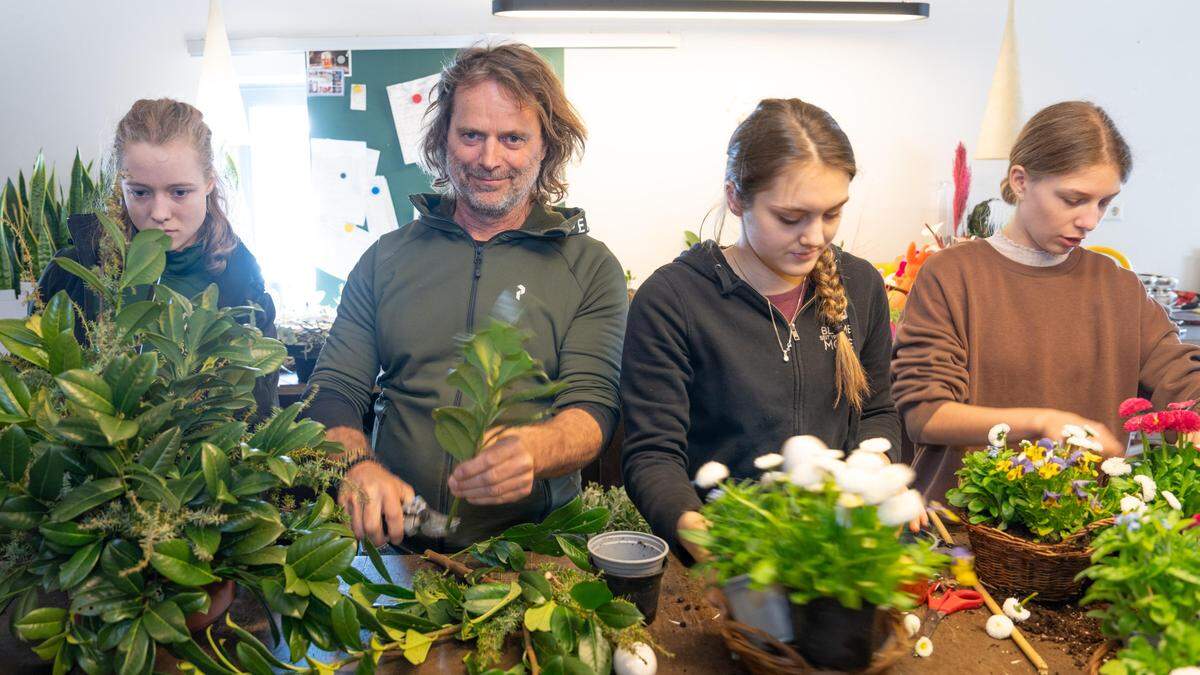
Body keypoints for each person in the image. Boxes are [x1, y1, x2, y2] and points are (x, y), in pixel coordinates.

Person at [304, 43, 626, 551]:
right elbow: (333, 392)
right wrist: (356, 466)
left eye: (513, 138)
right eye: (471, 135)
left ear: (547, 146)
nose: (489, 158)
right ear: (443, 138)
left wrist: (536, 449)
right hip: (398, 550)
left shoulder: (589, 267)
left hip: (534, 560)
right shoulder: (384, 260)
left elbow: (593, 408)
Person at [620, 99, 903, 563]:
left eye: (832, 213)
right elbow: (653, 455)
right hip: (722, 551)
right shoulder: (673, 300)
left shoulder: (862, 286)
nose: (814, 237)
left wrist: (876, 470)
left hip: (835, 549)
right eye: (791, 218)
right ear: (736, 197)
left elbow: (877, 412)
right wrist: (695, 529)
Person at [892, 101, 1200, 501]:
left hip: (1079, 532)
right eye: (1074, 199)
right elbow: (926, 415)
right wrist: (1040, 422)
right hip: (965, 532)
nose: (1090, 220)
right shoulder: (953, 275)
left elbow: (1180, 377)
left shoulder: (1118, 287)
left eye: (1104, 202)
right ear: (1020, 180)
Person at [37, 98, 278, 419]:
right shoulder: (72, 273)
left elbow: (256, 416)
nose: (159, 214)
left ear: (209, 183)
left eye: (179, 192)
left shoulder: (244, 283)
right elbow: (36, 399)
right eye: (140, 192)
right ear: (120, 187)